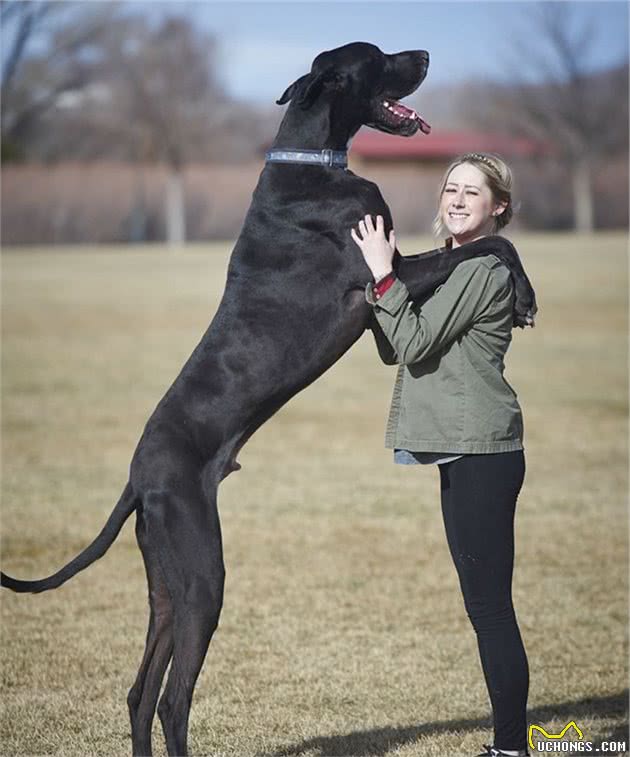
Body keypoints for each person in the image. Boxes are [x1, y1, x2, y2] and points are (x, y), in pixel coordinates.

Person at [350, 152, 531, 757]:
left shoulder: (482, 269)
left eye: (471, 193)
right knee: (483, 604)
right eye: (450, 189)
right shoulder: (454, 264)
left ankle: (510, 748)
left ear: (497, 206)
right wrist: (387, 279)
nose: (455, 200)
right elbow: (395, 343)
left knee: (489, 607)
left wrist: (383, 276)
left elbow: (415, 340)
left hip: (482, 451)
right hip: (465, 449)